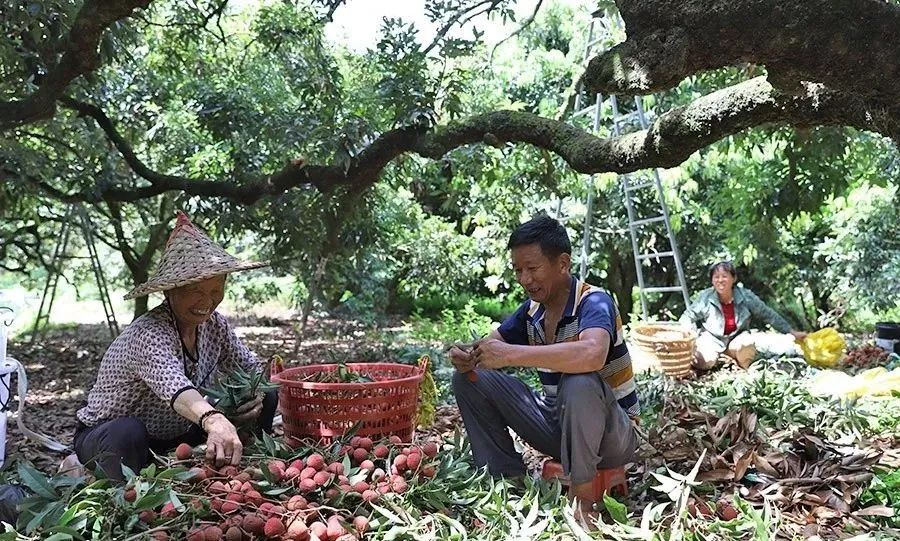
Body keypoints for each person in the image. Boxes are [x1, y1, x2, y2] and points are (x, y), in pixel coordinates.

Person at [450, 215, 637, 516]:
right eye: (518, 270)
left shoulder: (594, 302)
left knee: (579, 381)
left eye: (532, 268)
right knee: (469, 380)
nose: (525, 279)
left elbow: (592, 354)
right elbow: (489, 348)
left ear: (563, 263)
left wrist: (511, 355)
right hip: (561, 426)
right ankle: (505, 480)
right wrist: (469, 356)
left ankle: (583, 501)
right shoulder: (532, 311)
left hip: (614, 436)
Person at [73, 211, 274, 480]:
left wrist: (256, 395)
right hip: (113, 437)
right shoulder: (149, 333)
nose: (207, 301)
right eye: (195, 291)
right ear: (170, 291)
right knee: (126, 433)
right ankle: (113, 488)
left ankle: (252, 463)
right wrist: (214, 420)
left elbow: (251, 368)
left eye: (215, 291)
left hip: (179, 432)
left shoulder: (215, 325)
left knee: (265, 392)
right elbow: (176, 390)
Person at [679, 261, 807, 370]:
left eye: (724, 276)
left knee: (746, 346)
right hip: (712, 339)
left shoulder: (746, 296)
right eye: (716, 277)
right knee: (704, 361)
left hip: (737, 337)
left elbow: (767, 314)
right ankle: (718, 357)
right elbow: (688, 315)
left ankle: (738, 362)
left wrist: (790, 331)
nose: (720, 280)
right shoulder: (705, 297)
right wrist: (689, 333)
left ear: (733, 279)